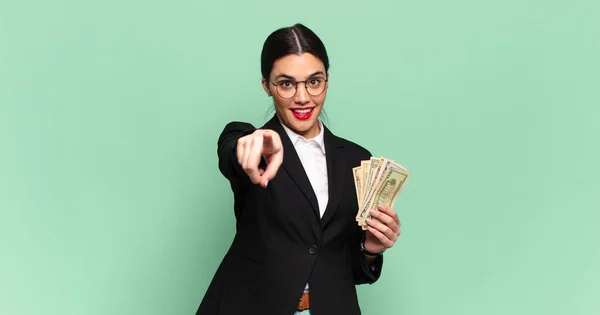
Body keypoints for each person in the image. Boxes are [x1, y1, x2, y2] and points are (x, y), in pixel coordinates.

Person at [195, 23, 402, 315]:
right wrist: (249, 142)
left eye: (314, 81)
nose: (303, 97)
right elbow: (231, 151)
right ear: (267, 85)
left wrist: (369, 250)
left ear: (327, 81)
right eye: (287, 83)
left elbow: (344, 270)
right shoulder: (254, 146)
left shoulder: (357, 159)